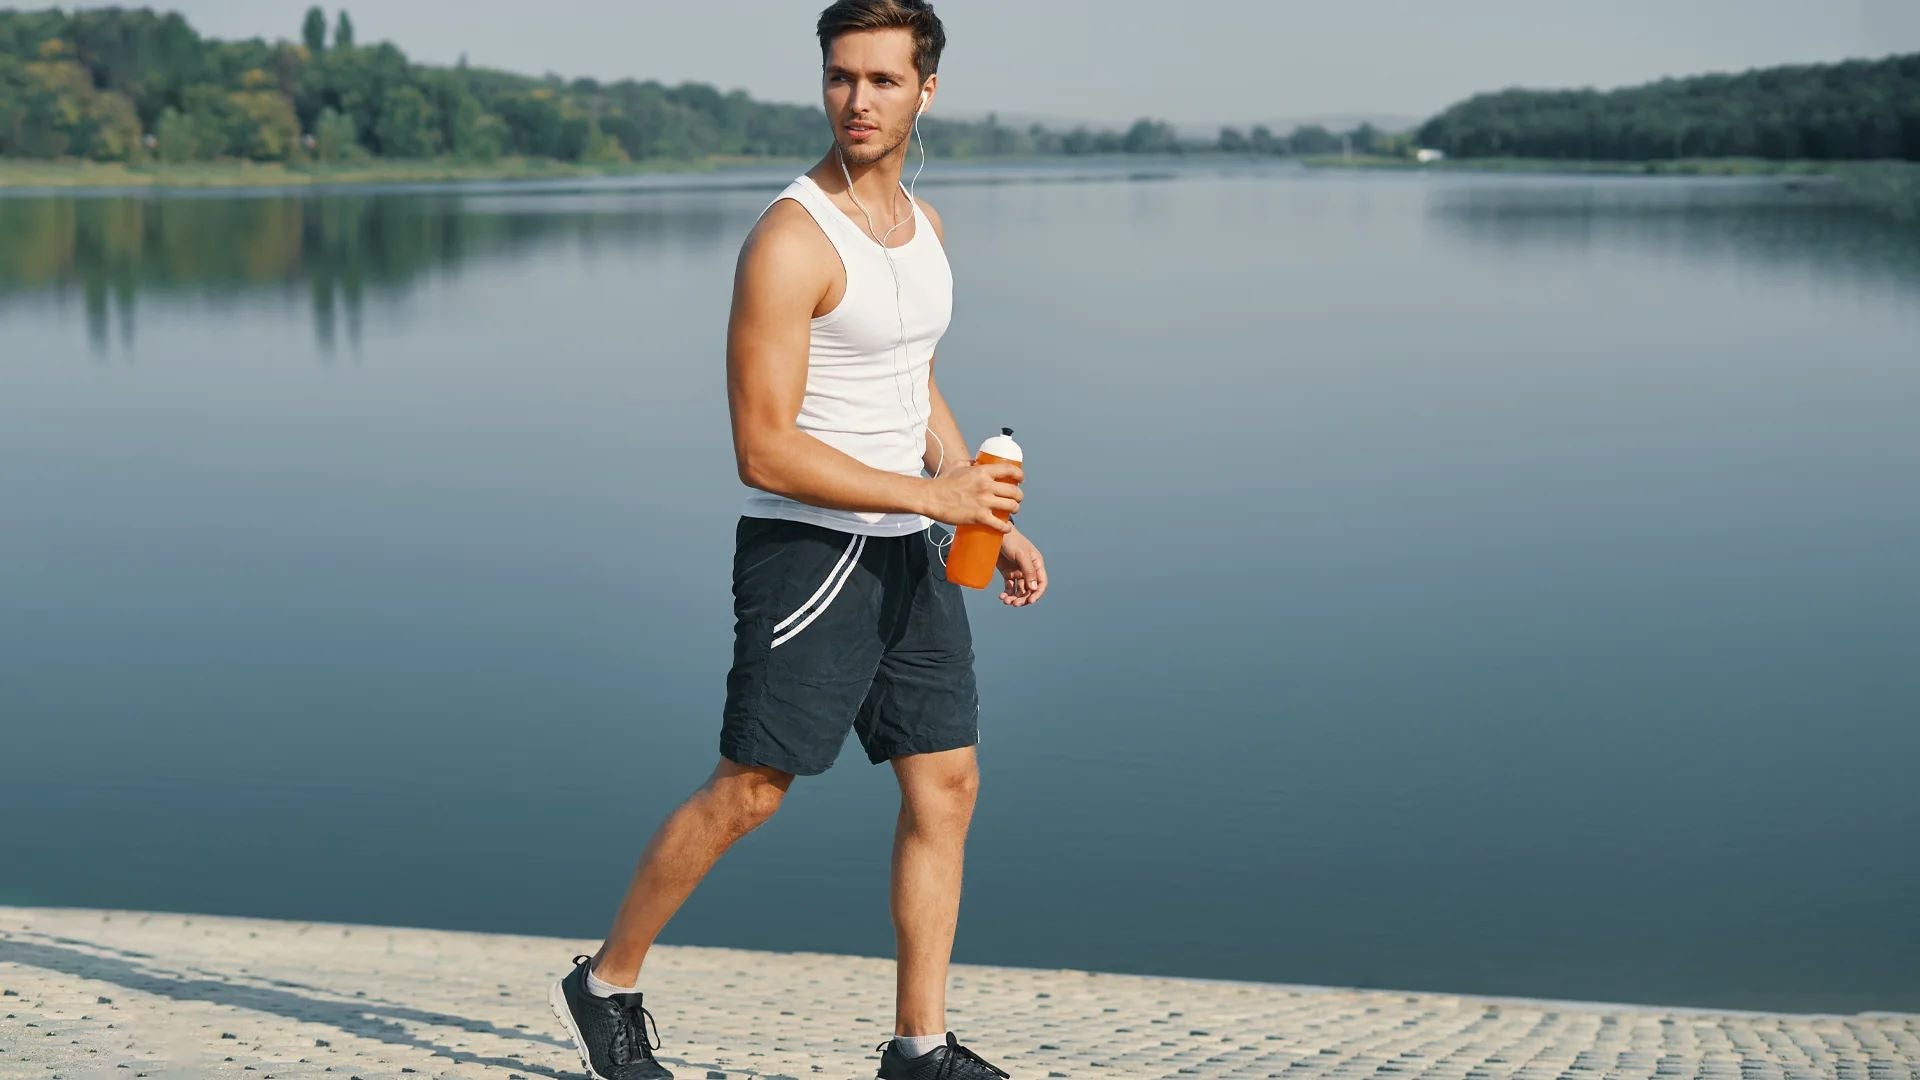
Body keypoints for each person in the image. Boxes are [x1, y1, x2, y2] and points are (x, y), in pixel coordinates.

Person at [549, 3, 1047, 1077]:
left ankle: (919, 1048)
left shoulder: (923, 228)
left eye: (880, 79)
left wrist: (979, 510)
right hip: (811, 557)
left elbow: (908, 381)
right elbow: (763, 450)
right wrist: (939, 501)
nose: (857, 101)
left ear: (927, 91)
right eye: (839, 78)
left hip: (913, 549)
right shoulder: (789, 238)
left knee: (945, 784)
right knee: (752, 791)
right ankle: (606, 984)